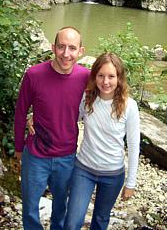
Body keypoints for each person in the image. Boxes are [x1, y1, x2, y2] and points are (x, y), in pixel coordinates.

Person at [14, 26, 90, 230]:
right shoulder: (34, 74)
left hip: (66, 156)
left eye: (72, 48)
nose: (66, 54)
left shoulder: (86, 77)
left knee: (61, 206)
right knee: (30, 206)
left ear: (81, 51)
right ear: (52, 47)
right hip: (36, 155)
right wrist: (19, 147)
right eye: (61, 47)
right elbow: (21, 112)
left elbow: (109, 97)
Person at [63, 52, 140, 230]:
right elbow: (65, 116)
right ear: (94, 76)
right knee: (72, 221)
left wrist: (131, 183)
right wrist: (36, 116)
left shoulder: (130, 106)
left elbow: (135, 146)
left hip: (113, 175)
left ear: (119, 77)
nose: (106, 82)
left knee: (100, 220)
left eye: (111, 76)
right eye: (101, 76)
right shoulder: (87, 99)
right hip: (83, 169)